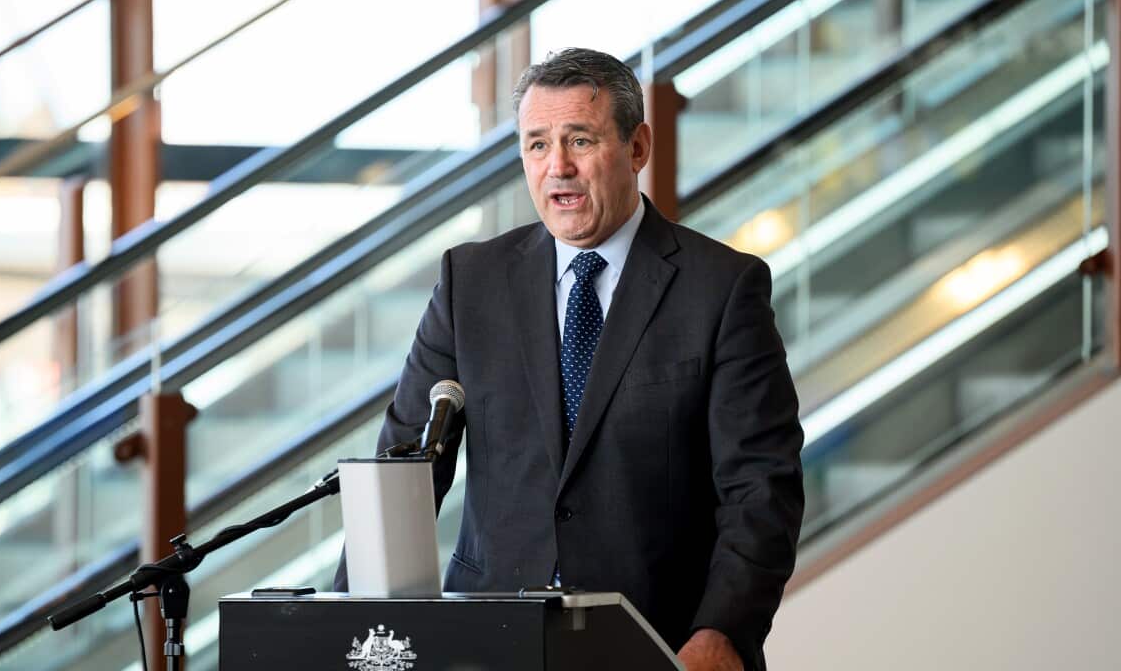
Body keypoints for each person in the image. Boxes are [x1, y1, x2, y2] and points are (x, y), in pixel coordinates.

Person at [337, 48, 804, 671]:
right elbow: (406, 467)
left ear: (637, 148)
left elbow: (760, 489)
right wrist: (346, 628)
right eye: (536, 145)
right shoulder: (469, 282)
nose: (557, 167)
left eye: (579, 140)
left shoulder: (722, 288)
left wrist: (722, 629)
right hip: (487, 640)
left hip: (658, 643)